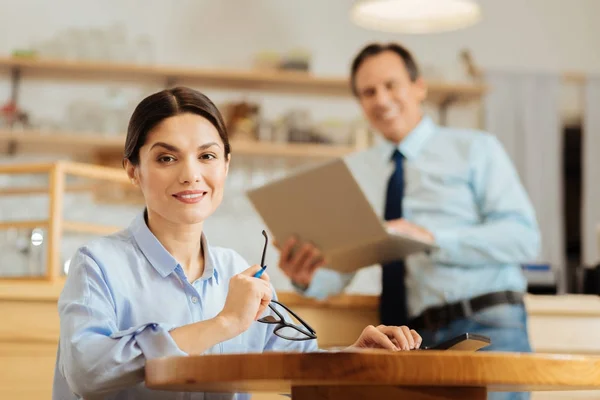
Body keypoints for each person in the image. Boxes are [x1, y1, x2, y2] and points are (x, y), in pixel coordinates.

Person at [51, 86, 422, 400]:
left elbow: (299, 367)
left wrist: (356, 355)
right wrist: (225, 322)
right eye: (166, 158)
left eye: (207, 156)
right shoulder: (98, 263)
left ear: (226, 165)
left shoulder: (237, 270)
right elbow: (88, 370)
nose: (191, 175)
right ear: (133, 170)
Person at [276, 43, 540, 400]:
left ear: (419, 87)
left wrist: (432, 238)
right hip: (413, 336)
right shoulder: (357, 171)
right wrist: (308, 277)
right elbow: (341, 269)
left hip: (487, 323)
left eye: (391, 85)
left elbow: (523, 238)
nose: (381, 99)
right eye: (369, 92)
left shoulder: (477, 148)